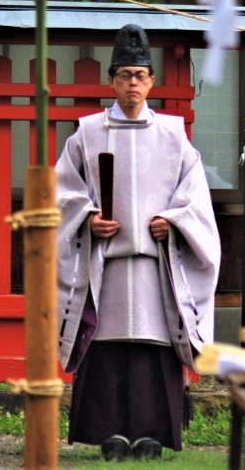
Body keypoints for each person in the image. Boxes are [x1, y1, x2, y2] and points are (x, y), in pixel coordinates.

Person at [55, 24, 220, 461]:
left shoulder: (172, 136)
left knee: (152, 349)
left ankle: (152, 434)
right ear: (111, 80)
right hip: (105, 265)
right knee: (105, 348)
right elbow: (64, 192)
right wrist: (88, 219)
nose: (132, 83)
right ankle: (106, 433)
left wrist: (175, 221)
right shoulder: (86, 133)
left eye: (140, 75)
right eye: (124, 74)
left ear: (151, 81)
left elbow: (194, 197)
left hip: (153, 263)